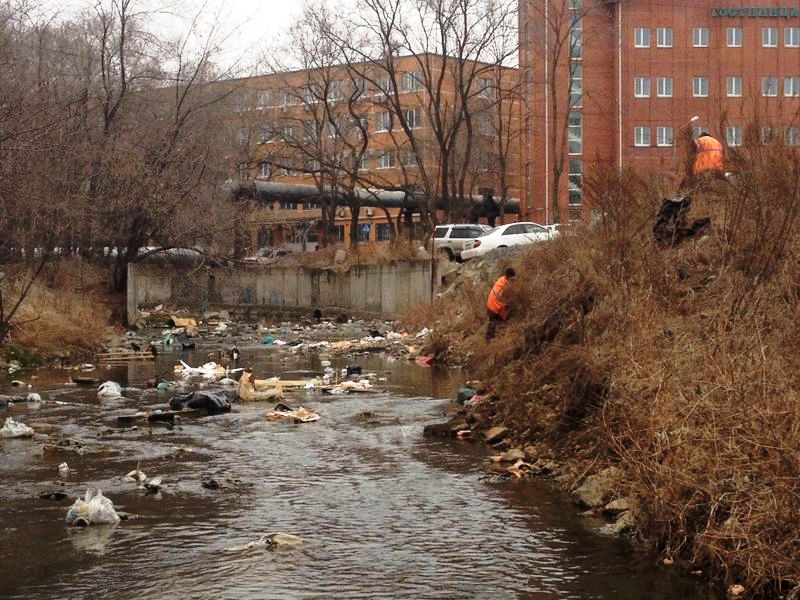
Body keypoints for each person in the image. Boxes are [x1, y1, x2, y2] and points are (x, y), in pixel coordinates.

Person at [485, 267, 515, 341]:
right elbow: (502, 298)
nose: (513, 281)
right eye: (512, 279)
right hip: (494, 306)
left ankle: (496, 335)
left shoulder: (502, 279)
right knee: (493, 323)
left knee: (494, 322)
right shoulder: (504, 287)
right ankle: (489, 339)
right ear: (508, 277)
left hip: (490, 303)